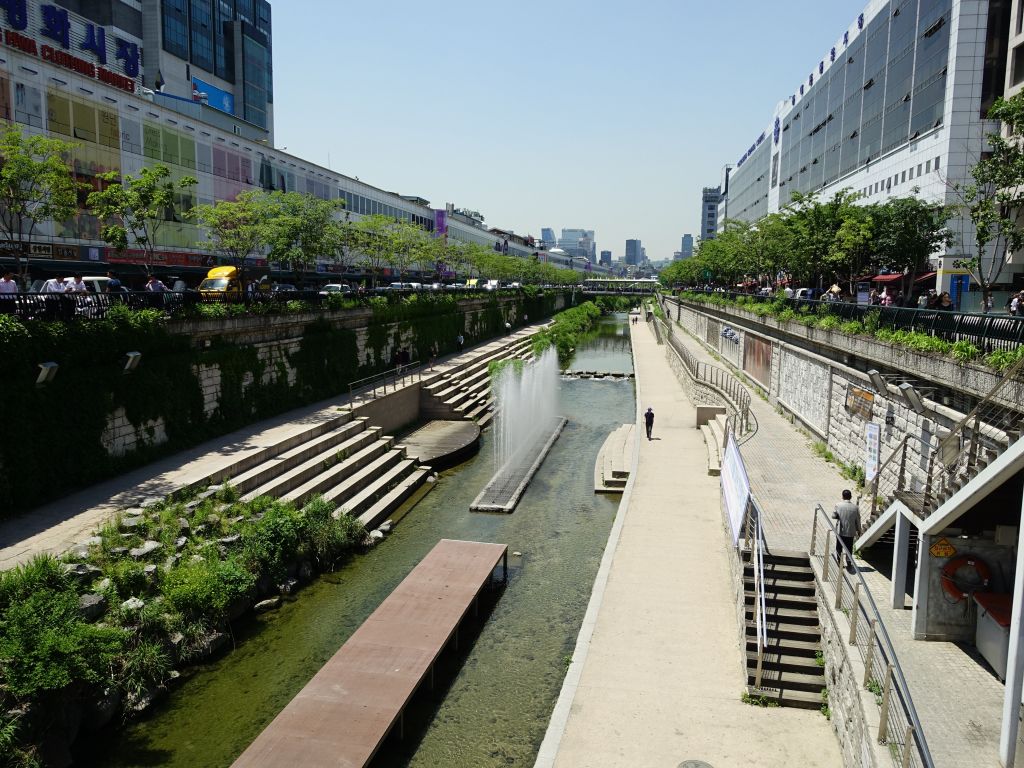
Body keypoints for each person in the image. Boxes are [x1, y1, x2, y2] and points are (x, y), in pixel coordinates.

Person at [832, 490, 861, 572]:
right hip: (851, 531)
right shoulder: (855, 508)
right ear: (851, 497)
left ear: (842, 496)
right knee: (849, 548)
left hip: (840, 531)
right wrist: (859, 530)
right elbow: (858, 520)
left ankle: (839, 561)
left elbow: (833, 516)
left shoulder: (838, 505)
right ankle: (849, 563)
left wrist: (839, 516)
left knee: (839, 547)